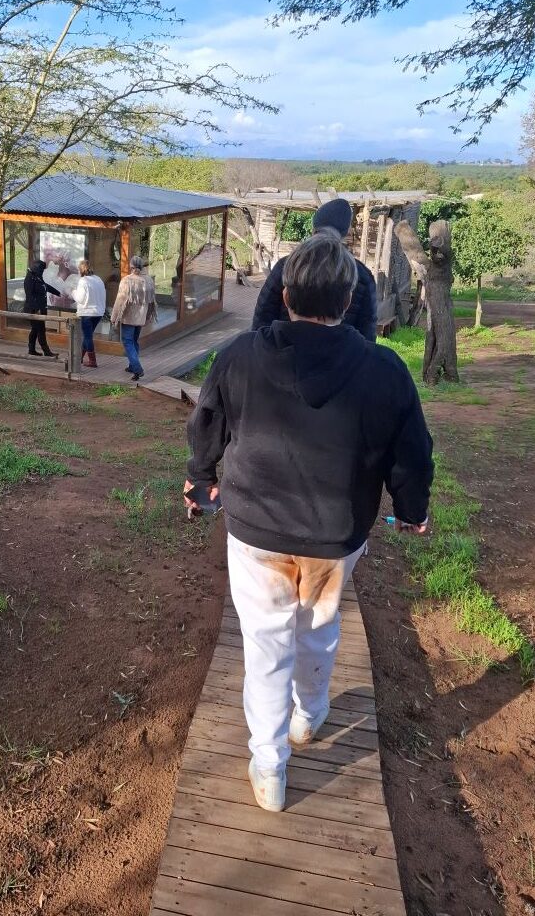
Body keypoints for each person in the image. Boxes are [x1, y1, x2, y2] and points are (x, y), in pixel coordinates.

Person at [186, 233, 433, 813]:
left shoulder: (240, 354)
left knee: (264, 645)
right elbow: (412, 453)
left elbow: (206, 426)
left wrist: (201, 482)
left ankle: (269, 768)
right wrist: (412, 509)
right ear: (349, 301)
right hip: (336, 534)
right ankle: (310, 716)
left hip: (255, 533)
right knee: (318, 629)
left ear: (286, 291)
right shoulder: (384, 368)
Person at [252, 198, 378, 341]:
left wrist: (260, 352)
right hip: (341, 357)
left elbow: (262, 315)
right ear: (344, 233)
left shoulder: (288, 264)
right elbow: (367, 331)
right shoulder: (362, 274)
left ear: (314, 227)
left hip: (285, 353)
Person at [110, 255, 156, 381]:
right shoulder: (149, 280)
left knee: (127, 342)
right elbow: (152, 301)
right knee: (134, 341)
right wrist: (148, 315)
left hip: (128, 317)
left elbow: (120, 300)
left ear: (131, 266)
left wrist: (114, 316)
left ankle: (137, 368)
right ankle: (131, 366)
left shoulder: (127, 280)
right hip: (140, 317)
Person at [70, 259, 107, 367]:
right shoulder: (98, 279)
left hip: (86, 312)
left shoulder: (83, 281)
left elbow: (80, 299)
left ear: (81, 270)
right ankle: (79, 358)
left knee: (87, 337)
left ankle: (92, 361)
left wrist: (73, 292)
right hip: (98, 312)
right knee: (88, 336)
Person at [23, 259, 61, 357]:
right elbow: (30, 296)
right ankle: (47, 351)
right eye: (42, 270)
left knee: (35, 330)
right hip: (34, 309)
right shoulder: (30, 279)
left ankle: (31, 350)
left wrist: (57, 292)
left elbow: (45, 286)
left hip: (40, 308)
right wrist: (36, 310)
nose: (43, 272)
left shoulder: (37, 276)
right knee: (41, 330)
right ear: (37, 268)